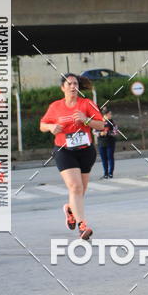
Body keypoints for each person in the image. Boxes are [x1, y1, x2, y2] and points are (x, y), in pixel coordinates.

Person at [39, 74, 104, 240]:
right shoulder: (55, 106)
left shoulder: (87, 104)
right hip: (64, 150)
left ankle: (70, 209)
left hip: (85, 150)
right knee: (75, 187)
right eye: (69, 84)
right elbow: (42, 125)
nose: (73, 86)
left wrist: (86, 120)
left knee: (80, 190)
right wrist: (51, 127)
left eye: (75, 83)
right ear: (63, 88)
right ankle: (82, 226)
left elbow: (101, 124)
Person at [97, 107, 119, 179]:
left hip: (110, 142)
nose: (111, 115)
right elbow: (94, 131)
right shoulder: (99, 122)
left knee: (110, 157)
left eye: (111, 114)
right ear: (105, 115)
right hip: (101, 142)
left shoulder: (113, 123)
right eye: (109, 114)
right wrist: (100, 133)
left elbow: (116, 132)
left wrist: (108, 133)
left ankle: (110, 173)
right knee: (104, 159)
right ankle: (105, 174)